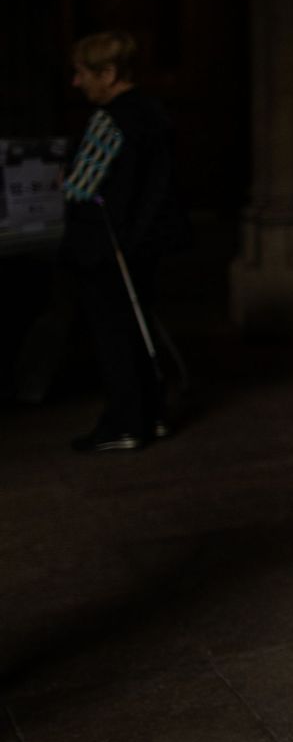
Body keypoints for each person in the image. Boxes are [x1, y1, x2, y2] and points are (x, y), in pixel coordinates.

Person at [60, 30, 184, 452]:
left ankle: (125, 423)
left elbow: (80, 187)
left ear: (108, 73)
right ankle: (152, 416)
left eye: (82, 72)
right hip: (145, 240)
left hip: (108, 245)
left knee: (115, 337)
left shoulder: (110, 119)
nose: (77, 82)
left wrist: (65, 180)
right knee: (139, 327)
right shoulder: (153, 112)